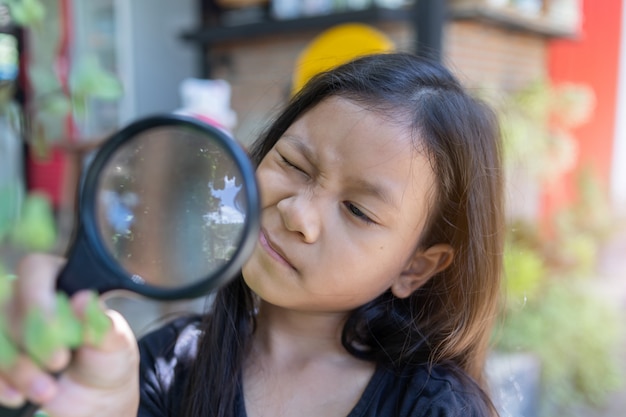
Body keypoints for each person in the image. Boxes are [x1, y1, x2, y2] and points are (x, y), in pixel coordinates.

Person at [0, 52, 504, 417]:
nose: (297, 214)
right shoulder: (162, 367)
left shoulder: (436, 409)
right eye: (292, 163)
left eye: (356, 209)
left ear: (415, 267)